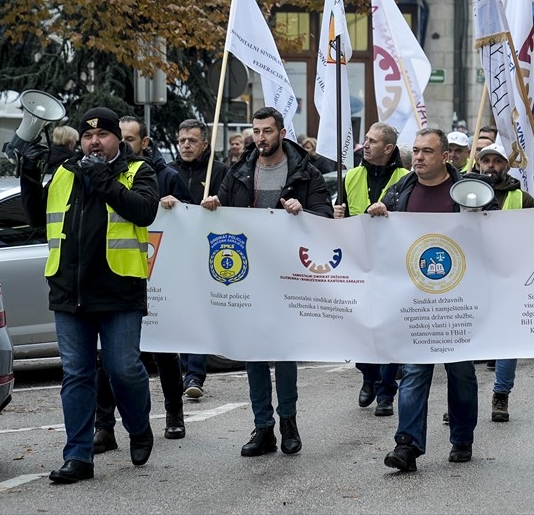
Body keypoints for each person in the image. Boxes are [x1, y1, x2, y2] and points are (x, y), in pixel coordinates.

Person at [19, 107, 159, 484]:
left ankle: (138, 426)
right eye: (87, 136)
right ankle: (78, 456)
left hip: (119, 290)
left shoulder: (138, 171)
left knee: (123, 368)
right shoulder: (66, 172)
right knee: (76, 375)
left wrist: (105, 182)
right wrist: (28, 175)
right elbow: (36, 217)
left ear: (117, 140)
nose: (94, 142)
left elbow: (145, 212)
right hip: (69, 290)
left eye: (102, 136)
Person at [201, 106, 332, 457]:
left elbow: (324, 216)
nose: (260, 138)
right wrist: (212, 204)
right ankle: (263, 427)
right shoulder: (239, 170)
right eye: (256, 131)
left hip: (288, 273)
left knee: (283, 351)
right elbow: (222, 211)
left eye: (267, 131)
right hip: (247, 273)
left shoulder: (306, 172)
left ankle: (288, 420)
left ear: (282, 131)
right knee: (254, 351)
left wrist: (302, 211)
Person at [371, 128, 479, 472]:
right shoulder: (401, 191)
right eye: (415, 151)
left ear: (445, 156)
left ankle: (462, 438)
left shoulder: (466, 193)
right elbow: (378, 232)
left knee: (460, 373)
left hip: (457, 301)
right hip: (415, 299)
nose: (418, 157)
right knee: (415, 371)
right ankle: (407, 445)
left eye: (427, 151)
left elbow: (490, 234)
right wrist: (376, 213)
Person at [88, 116, 189, 455]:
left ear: (143, 142)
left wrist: (177, 205)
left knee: (163, 348)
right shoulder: (99, 170)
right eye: (123, 137)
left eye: (131, 138)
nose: (126, 143)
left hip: (163, 270)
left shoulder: (165, 175)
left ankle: (174, 412)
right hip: (123, 271)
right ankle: (105, 426)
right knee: (110, 359)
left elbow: (193, 221)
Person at [333, 123, 408, 417]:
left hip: (392, 264)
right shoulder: (351, 175)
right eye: (365, 140)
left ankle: (387, 390)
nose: (365, 145)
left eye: (373, 141)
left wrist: (389, 213)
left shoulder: (406, 178)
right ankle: (368, 376)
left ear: (388, 149)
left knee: (390, 330)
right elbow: (339, 219)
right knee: (360, 328)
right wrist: (336, 214)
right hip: (358, 263)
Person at [473, 142, 534, 423]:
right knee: (467, 341)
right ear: (477, 165)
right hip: (472, 276)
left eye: (496, 161)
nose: (490, 166)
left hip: (509, 277)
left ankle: (501, 394)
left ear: (506, 166)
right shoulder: (465, 194)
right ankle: (461, 401)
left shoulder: (522, 199)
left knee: (506, 340)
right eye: (485, 160)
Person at [166, 118, 225, 399]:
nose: (186, 145)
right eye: (182, 141)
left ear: (205, 143)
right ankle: (179, 369)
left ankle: (195, 374)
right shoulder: (168, 172)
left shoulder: (220, 171)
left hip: (207, 250)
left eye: (192, 140)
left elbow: (231, 206)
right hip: (176, 251)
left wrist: (216, 203)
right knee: (178, 312)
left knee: (198, 311)